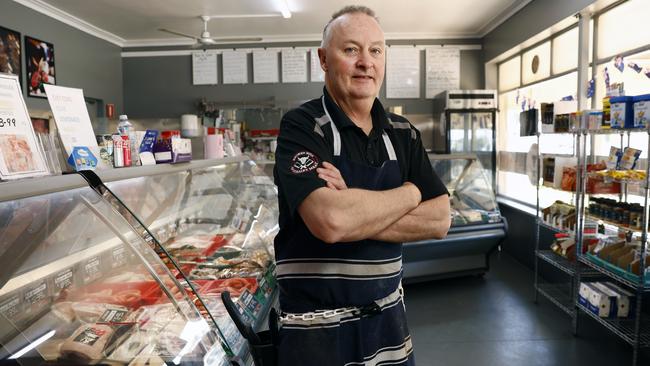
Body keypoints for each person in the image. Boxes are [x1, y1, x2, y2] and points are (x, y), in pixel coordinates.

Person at [273, 5, 451, 365]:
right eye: (351, 49)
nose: (365, 62)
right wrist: (411, 193)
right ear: (324, 59)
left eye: (376, 50)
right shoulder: (303, 127)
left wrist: (355, 206)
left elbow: (439, 220)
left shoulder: (403, 133)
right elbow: (331, 221)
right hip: (316, 334)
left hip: (389, 323)